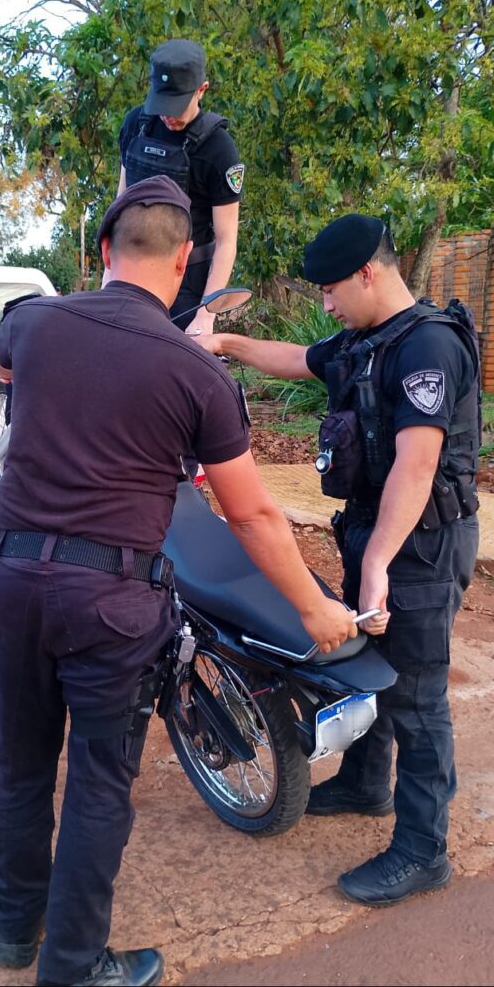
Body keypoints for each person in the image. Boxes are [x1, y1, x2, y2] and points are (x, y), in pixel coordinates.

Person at [0, 175, 357, 987]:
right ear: (186, 260)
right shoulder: (196, 373)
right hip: (111, 603)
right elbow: (252, 514)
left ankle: (17, 930)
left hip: (14, 582)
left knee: (19, 764)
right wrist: (315, 609)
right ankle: (72, 966)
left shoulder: (34, 321)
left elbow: (0, 363)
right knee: (98, 783)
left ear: (105, 250)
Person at [194, 213, 481, 907]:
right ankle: (364, 784)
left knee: (415, 694)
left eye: (329, 290)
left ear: (367, 273)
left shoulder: (427, 347)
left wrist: (377, 562)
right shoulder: (365, 340)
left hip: (419, 544)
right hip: (373, 531)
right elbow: (300, 358)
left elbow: (417, 466)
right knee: (368, 668)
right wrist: (223, 343)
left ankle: (423, 851)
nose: (324, 305)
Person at [117, 39, 244, 336]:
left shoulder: (218, 149)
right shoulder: (136, 125)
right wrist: (108, 279)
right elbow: (120, 203)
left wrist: (205, 316)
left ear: (202, 89)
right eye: (162, 103)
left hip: (185, 283)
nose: (168, 115)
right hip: (131, 273)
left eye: (176, 105)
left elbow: (227, 241)